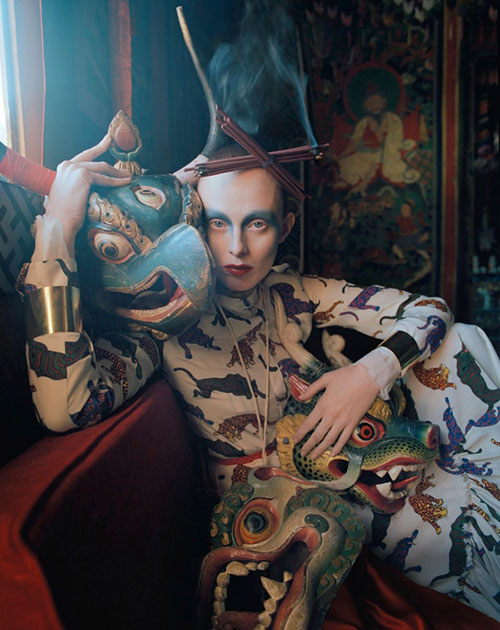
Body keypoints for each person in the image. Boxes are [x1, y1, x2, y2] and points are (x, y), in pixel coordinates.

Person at [21, 136, 500, 620]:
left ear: (284, 226)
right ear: (194, 223)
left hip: (349, 479)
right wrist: (58, 229)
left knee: (462, 343)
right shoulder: (166, 321)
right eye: (217, 223)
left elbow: (431, 311)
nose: (237, 248)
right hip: (266, 521)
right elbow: (66, 409)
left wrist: (367, 375)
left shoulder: (292, 292)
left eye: (257, 223)